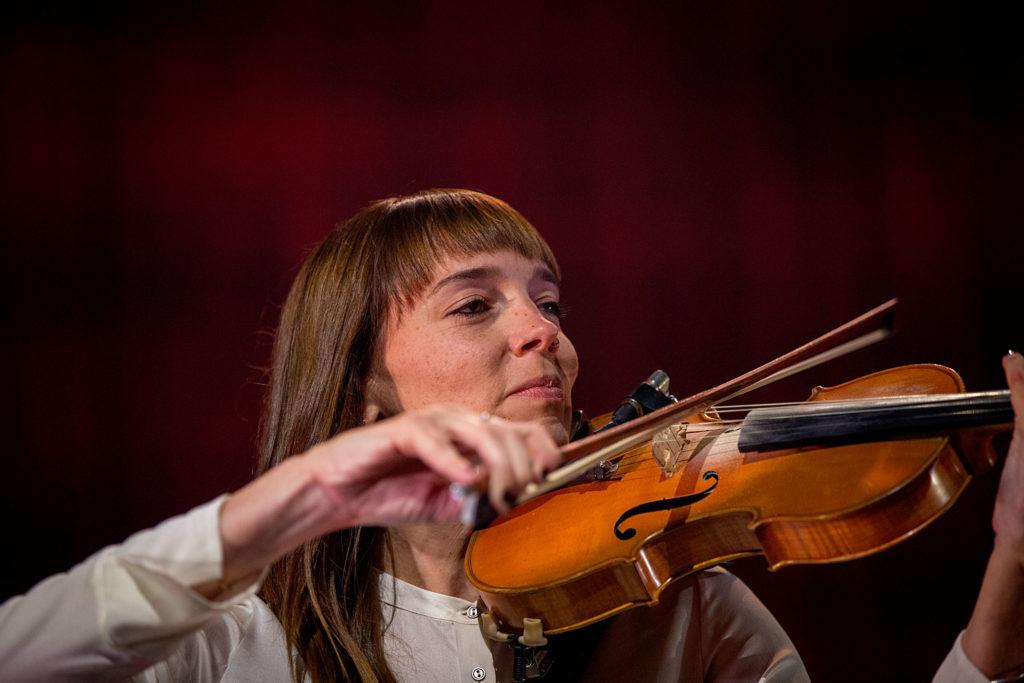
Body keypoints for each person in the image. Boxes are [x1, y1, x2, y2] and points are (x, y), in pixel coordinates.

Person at [0, 189, 1020, 682]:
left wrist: (1012, 568)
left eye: (546, 299)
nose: (545, 330)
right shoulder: (239, 638)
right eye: (473, 306)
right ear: (363, 391)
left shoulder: (678, 605)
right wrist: (280, 508)